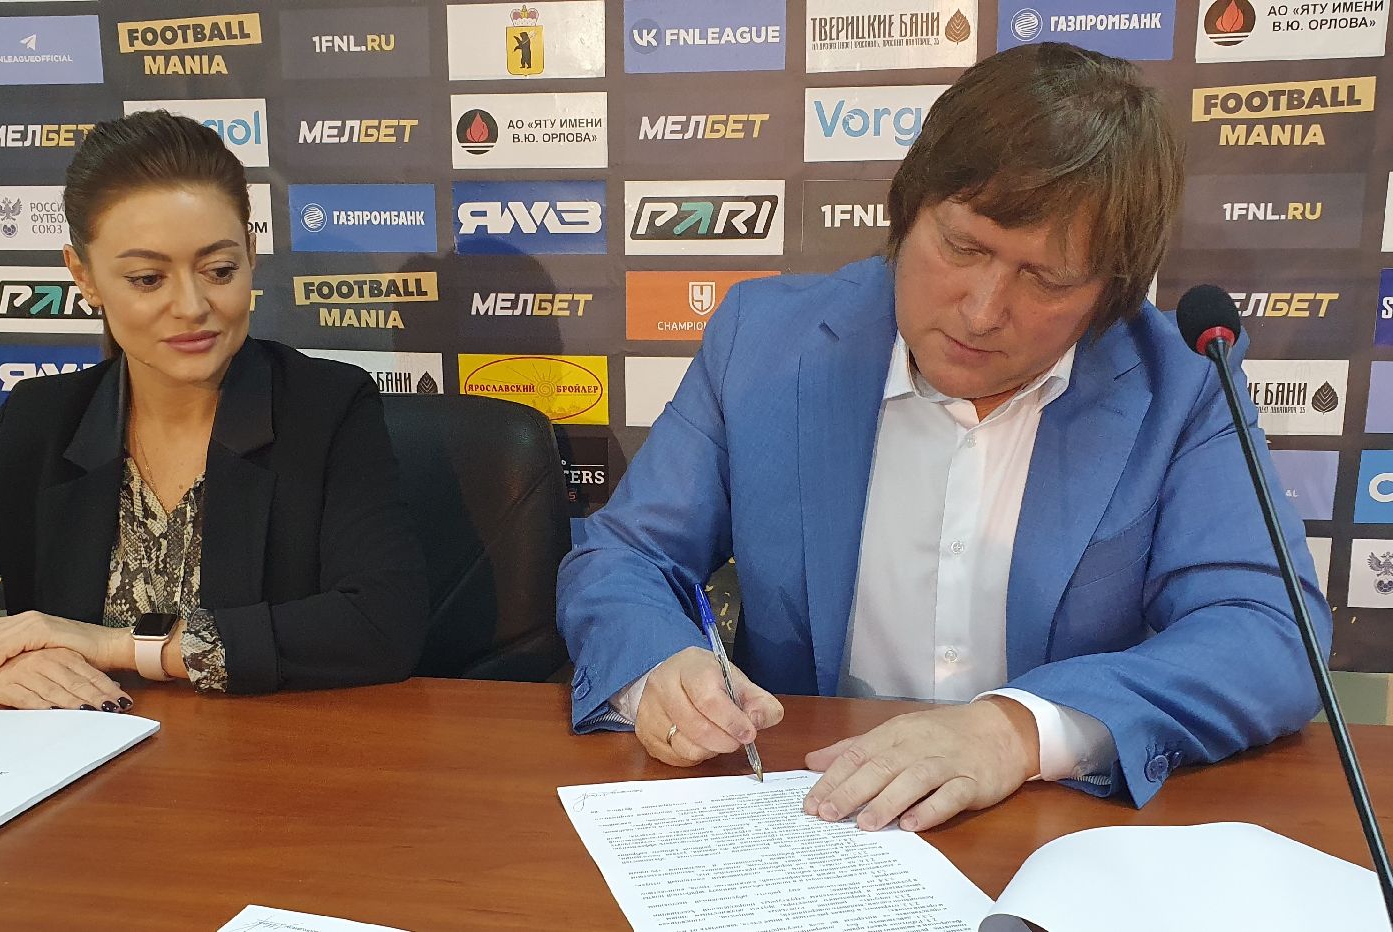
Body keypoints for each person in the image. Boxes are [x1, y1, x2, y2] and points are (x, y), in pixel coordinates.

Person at [557, 43, 1329, 831]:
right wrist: (658, 669)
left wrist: (1014, 731)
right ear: (907, 210)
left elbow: (1271, 632)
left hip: (1050, 827)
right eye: (963, 247)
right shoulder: (764, 341)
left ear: (1110, 294)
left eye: (1046, 279)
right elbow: (624, 558)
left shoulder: (1181, 383)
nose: (983, 311)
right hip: (815, 813)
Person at [0, 111, 430, 709]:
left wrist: (118, 646)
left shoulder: (326, 408)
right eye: (148, 279)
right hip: (78, 771)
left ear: (251, 256)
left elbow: (382, 624)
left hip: (264, 764)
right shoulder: (42, 422)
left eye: (219, 269)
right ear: (85, 276)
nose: (192, 306)